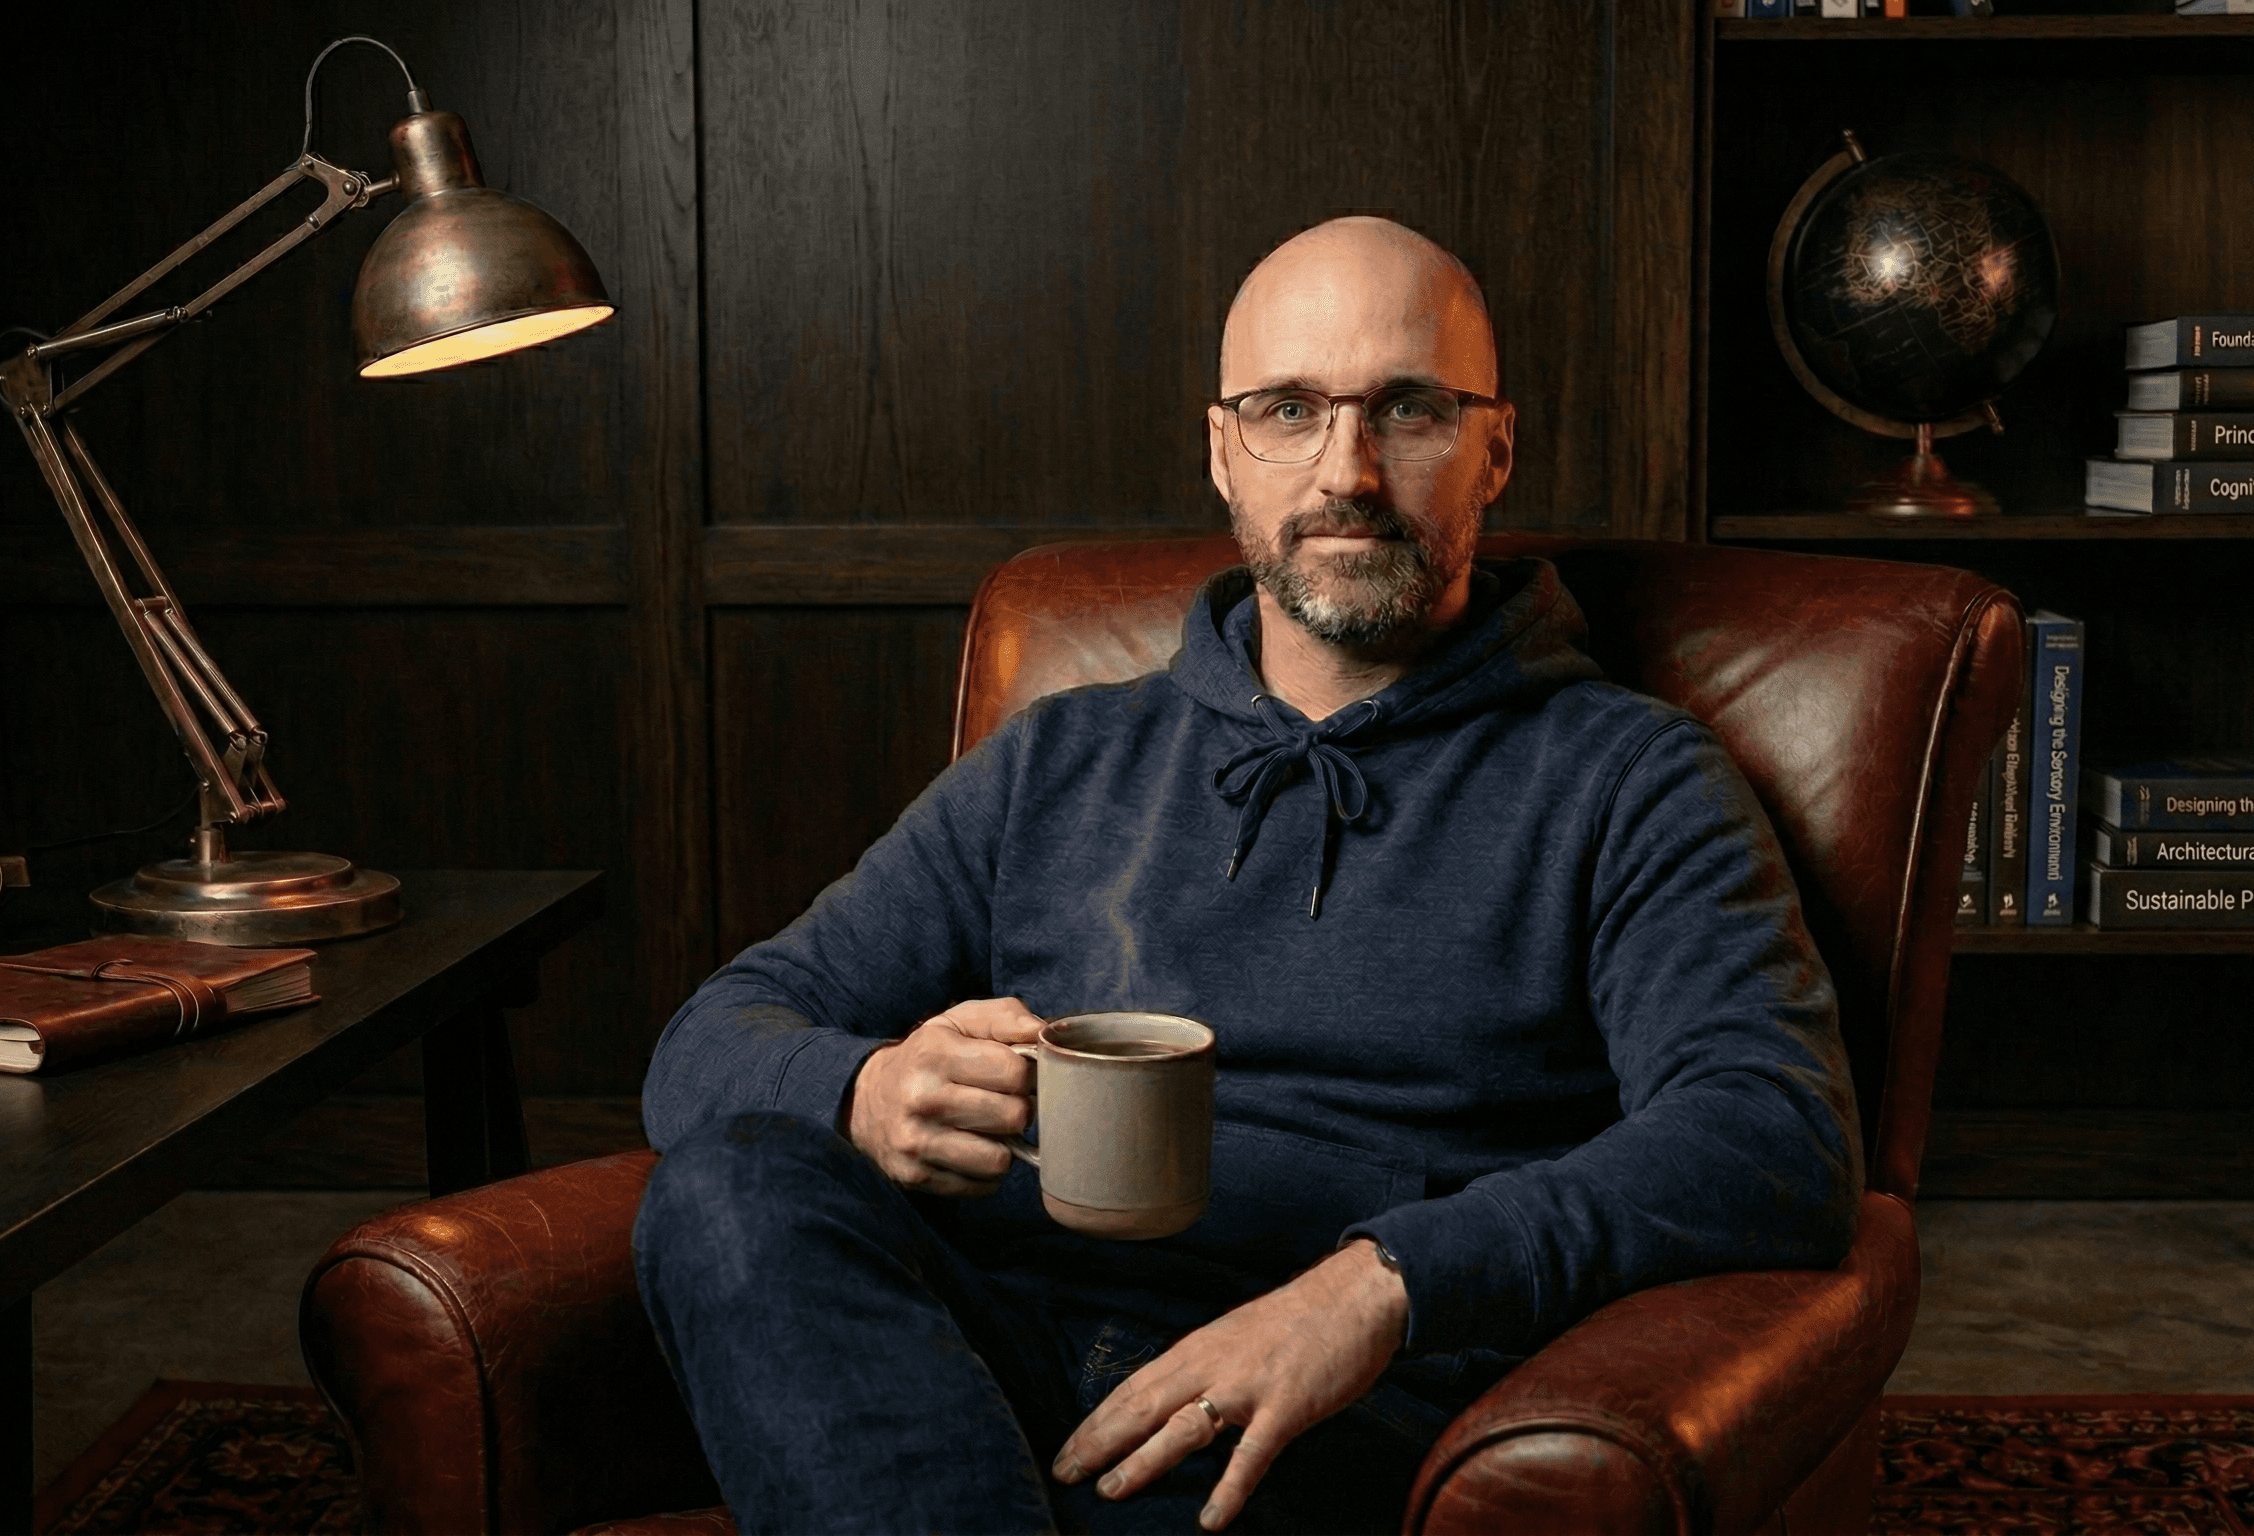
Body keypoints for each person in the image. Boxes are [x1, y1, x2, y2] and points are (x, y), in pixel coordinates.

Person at [636, 216, 1861, 1534]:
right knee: (730, 1185)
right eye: (1288, 409)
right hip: (993, 1356)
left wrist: (1375, 1290)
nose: (1350, 469)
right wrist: (868, 1092)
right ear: (1224, 451)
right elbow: (706, 1046)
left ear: (1494, 447)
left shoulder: (1631, 780)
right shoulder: (1060, 760)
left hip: (1336, 1415)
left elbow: (1768, 1135)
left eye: (1409, 408)